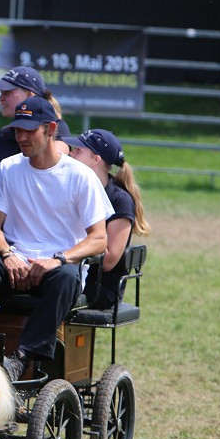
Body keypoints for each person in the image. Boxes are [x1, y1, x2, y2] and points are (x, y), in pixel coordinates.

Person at [0, 96, 114, 382]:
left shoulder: (80, 176)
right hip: (15, 260)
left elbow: (99, 239)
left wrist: (58, 259)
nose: (21, 137)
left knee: (67, 277)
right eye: (17, 130)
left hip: (58, 265)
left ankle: (23, 356)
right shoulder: (9, 168)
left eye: (29, 131)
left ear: (50, 129)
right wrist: (7, 254)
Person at [63, 128, 150, 308]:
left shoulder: (120, 201)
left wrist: (62, 252)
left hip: (99, 286)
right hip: (69, 270)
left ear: (96, 159)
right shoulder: (72, 187)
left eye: (78, 150)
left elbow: (109, 261)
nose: (70, 154)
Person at [0, 66, 70, 163]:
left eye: (7, 92)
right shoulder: (4, 134)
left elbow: (53, 162)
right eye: (1, 93)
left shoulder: (54, 126)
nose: (0, 98)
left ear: (31, 95)